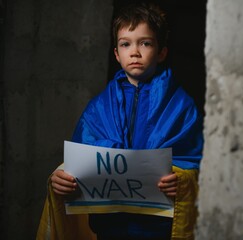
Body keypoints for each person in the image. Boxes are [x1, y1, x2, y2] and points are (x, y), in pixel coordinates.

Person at [37, 2, 203, 240]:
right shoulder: (98, 108)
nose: (134, 52)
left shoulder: (182, 106)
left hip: (159, 230)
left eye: (145, 43)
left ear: (162, 51)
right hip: (109, 229)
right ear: (116, 53)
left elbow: (199, 165)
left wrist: (183, 182)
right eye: (126, 44)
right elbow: (79, 163)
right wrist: (61, 179)